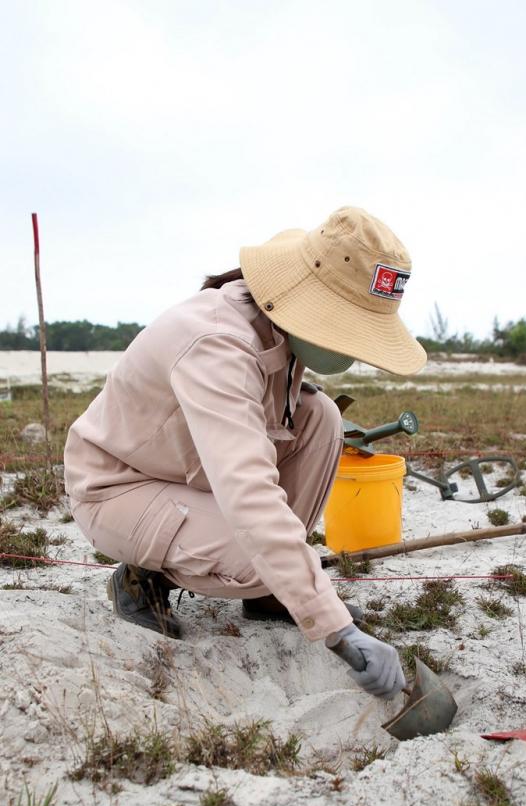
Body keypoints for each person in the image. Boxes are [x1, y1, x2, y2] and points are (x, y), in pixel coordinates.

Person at [64, 206, 427, 701]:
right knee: (256, 555)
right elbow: (250, 495)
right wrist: (337, 630)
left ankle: (272, 590)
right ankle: (140, 577)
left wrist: (301, 590)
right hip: (117, 488)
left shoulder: (274, 328)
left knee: (322, 417)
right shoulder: (218, 343)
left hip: (182, 475)